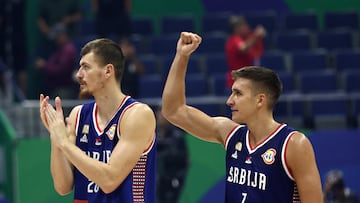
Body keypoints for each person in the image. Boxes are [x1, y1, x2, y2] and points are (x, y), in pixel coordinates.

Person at [162, 32, 323, 202]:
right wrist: (182, 56)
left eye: (238, 94)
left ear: (260, 100)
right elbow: (173, 111)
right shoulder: (230, 134)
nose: (229, 101)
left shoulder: (293, 144)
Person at [39, 38, 156, 202]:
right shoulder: (78, 115)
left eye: (86, 67)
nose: (79, 74)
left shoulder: (137, 115)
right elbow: (63, 186)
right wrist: (55, 137)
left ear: (108, 71)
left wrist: (64, 142)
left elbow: (109, 180)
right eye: (80, 67)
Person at [155, 106, 188, 203]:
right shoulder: (151, 134)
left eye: (164, 115)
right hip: (155, 180)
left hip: (172, 179)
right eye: (160, 114)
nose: (162, 117)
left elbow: (185, 160)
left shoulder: (177, 137)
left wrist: (178, 179)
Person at [35, 24, 77, 99]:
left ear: (63, 35)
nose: (56, 40)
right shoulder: (60, 49)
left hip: (64, 90)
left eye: (57, 37)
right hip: (55, 89)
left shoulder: (68, 50)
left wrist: (45, 65)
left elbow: (61, 70)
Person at [225, 15, 265, 87]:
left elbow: (258, 53)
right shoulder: (234, 39)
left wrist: (257, 38)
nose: (246, 27)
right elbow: (243, 48)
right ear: (236, 29)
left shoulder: (247, 40)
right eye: (243, 26)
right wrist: (256, 35)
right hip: (236, 82)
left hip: (247, 81)